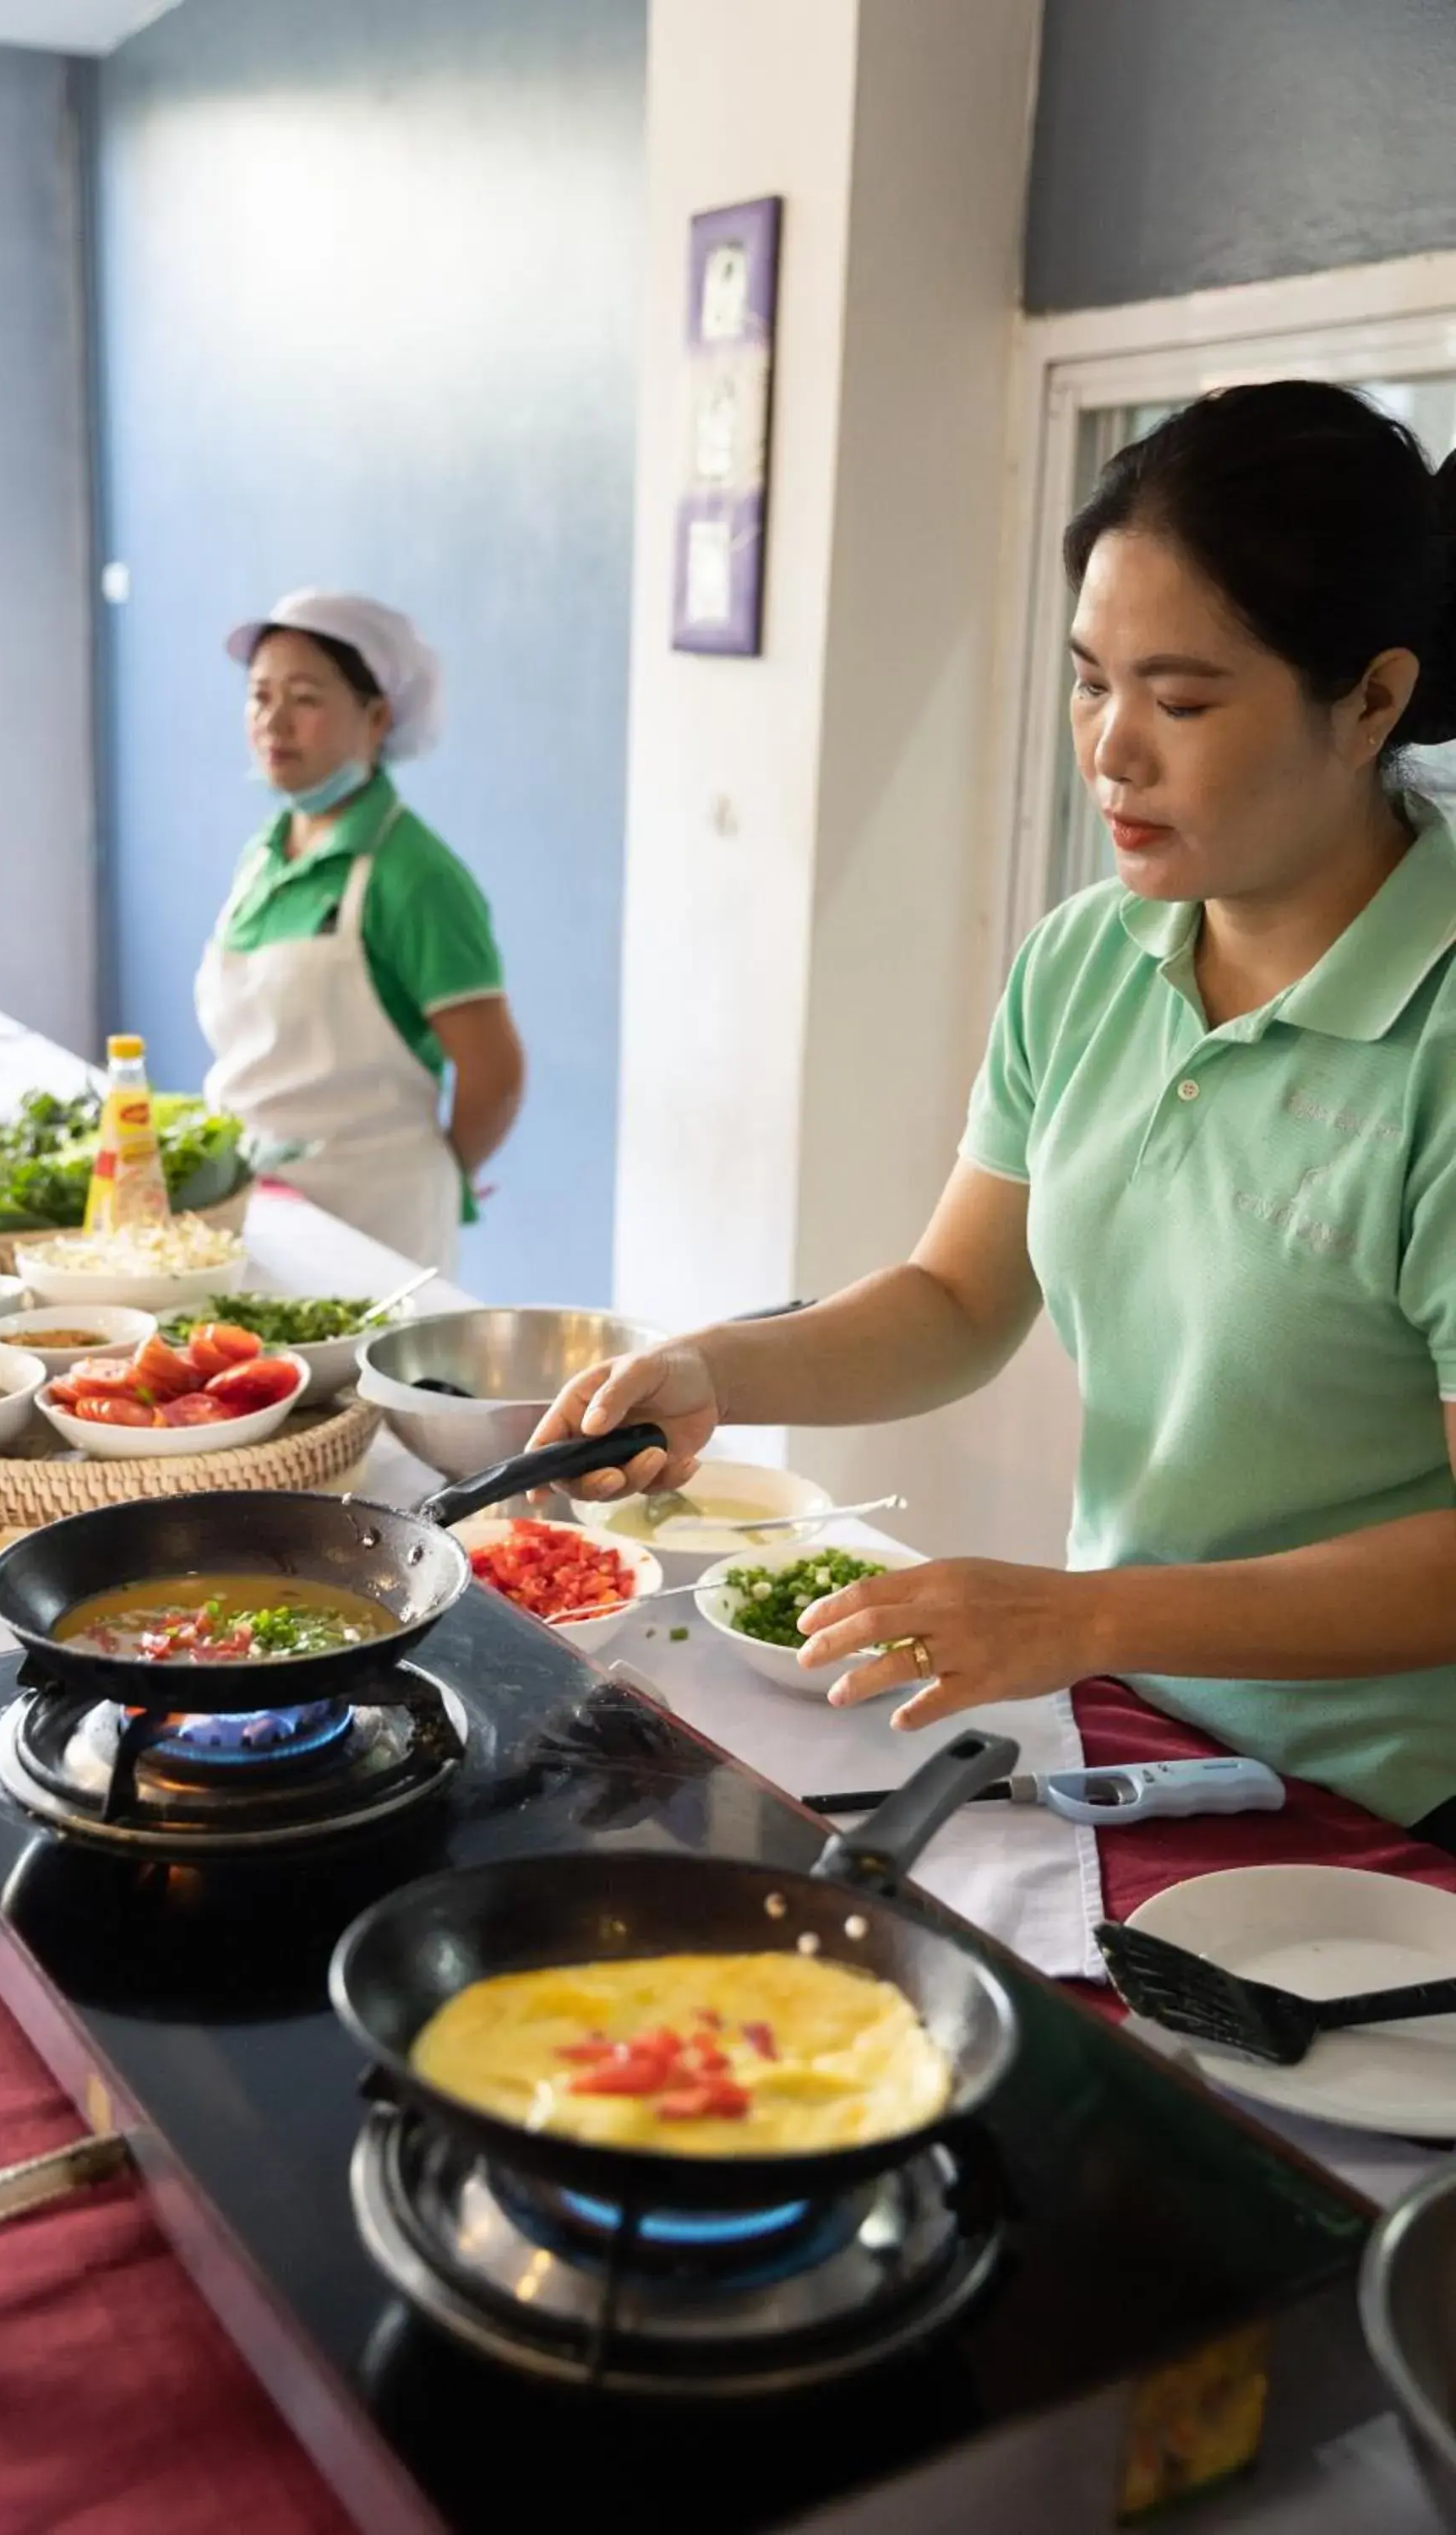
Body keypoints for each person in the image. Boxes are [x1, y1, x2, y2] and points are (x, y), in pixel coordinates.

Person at [535, 381, 1456, 1841]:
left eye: (1182, 699)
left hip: (1395, 1804)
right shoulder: (1090, 956)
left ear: (1374, 700)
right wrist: (713, 1367)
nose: (1112, 749)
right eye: (1091, 682)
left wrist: (1086, 1613)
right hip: (1138, 1730)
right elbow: (960, 1298)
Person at [195, 590, 524, 1272]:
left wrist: (440, 1175)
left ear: (377, 718)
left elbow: (494, 1073)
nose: (274, 721)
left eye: (305, 698)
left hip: (377, 1226)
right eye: (259, 696)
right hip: (257, 1208)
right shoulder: (266, 853)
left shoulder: (415, 876)